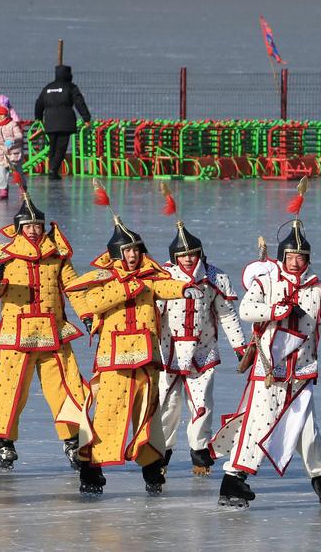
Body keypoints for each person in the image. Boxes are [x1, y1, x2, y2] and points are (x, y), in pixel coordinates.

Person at [211, 185, 321, 508]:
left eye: (301, 256)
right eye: (291, 256)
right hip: (269, 371)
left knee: (307, 428)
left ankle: (320, 475)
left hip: (301, 371)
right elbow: (245, 311)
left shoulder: (315, 286)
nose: (296, 261)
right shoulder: (267, 282)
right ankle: (233, 481)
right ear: (283, 256)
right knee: (258, 424)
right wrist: (277, 310)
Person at [65, 211, 200, 495]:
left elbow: (163, 286)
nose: (133, 256)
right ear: (116, 253)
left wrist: (184, 288)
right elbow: (91, 301)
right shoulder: (104, 278)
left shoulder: (149, 277)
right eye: (127, 251)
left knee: (148, 416)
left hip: (146, 359)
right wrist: (127, 287)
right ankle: (91, 470)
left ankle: (152, 469)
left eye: (136, 250)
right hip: (113, 360)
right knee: (107, 414)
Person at [0, 187, 90, 471]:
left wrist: (88, 315)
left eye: (37, 225)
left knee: (65, 388)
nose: (33, 230)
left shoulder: (57, 256)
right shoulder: (5, 254)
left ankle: (72, 441)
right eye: (28, 226)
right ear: (19, 228)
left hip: (54, 333)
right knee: (11, 390)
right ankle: (4, 442)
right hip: (15, 336)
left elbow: (74, 288)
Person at [157, 221, 247, 477]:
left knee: (202, 405)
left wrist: (240, 347)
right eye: (182, 255)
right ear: (174, 256)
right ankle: (161, 455)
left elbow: (227, 315)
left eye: (192, 253)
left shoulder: (214, 277)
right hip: (168, 352)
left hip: (202, 352)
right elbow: (152, 314)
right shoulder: (163, 277)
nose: (187, 259)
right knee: (167, 405)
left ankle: (199, 453)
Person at [34, 64, 91, 180]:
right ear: (69, 74)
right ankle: (53, 170)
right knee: (61, 147)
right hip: (65, 121)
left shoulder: (47, 88)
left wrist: (38, 118)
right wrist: (86, 118)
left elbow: (39, 103)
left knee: (52, 147)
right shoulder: (71, 87)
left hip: (49, 121)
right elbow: (79, 102)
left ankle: (52, 169)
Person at [0, 107, 23, 200]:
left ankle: (22, 188)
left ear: (6, 115)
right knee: (1, 172)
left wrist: (12, 140)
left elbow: (19, 135)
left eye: (2, 115)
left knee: (17, 172)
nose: (0, 117)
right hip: (2, 154)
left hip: (14, 153)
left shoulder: (13, 125)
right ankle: (3, 190)